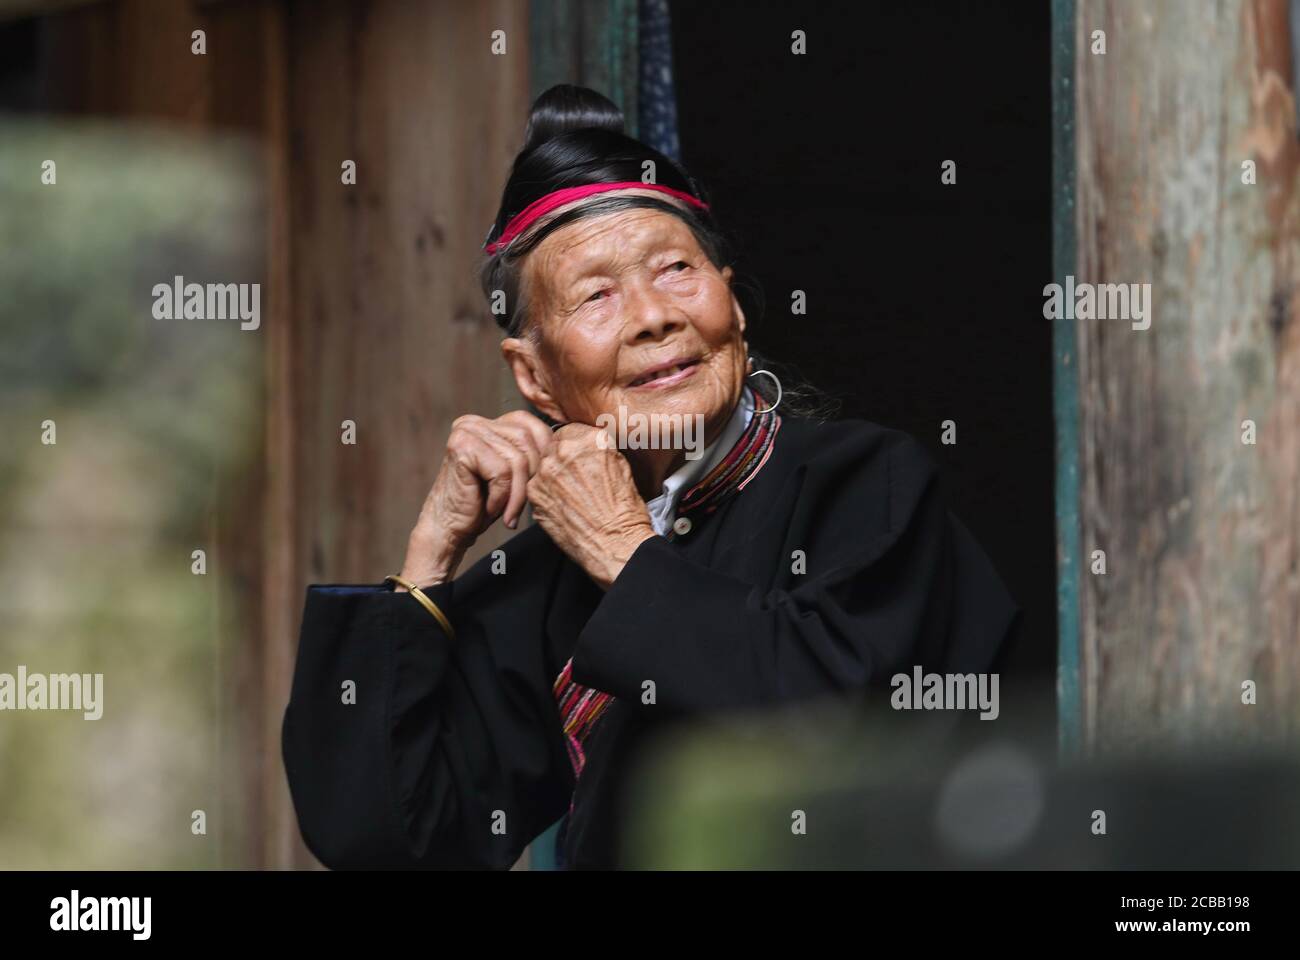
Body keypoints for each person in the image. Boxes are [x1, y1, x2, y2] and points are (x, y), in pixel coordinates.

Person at [281, 84, 1020, 870]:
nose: (652, 315)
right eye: (597, 295)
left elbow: (836, 741)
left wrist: (623, 551)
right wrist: (429, 555)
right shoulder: (543, 573)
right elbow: (387, 840)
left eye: (675, 270)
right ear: (533, 376)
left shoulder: (864, 484)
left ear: (731, 305)